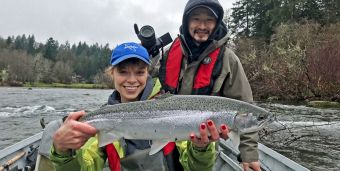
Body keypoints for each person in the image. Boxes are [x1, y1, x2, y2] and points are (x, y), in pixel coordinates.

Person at [49, 42, 229, 171]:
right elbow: (85, 167)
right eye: (123, 72)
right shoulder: (103, 118)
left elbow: (197, 168)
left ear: (148, 74)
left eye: (139, 72)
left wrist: (201, 148)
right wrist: (62, 152)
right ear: (111, 74)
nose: (132, 80)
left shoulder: (174, 111)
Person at [151, 0, 262, 170]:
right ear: (186, 21)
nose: (202, 26)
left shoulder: (228, 59)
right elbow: (151, 90)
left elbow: (245, 110)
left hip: (205, 145)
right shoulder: (169, 54)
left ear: (217, 23)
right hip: (167, 134)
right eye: (196, 19)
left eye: (209, 20)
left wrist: (249, 155)